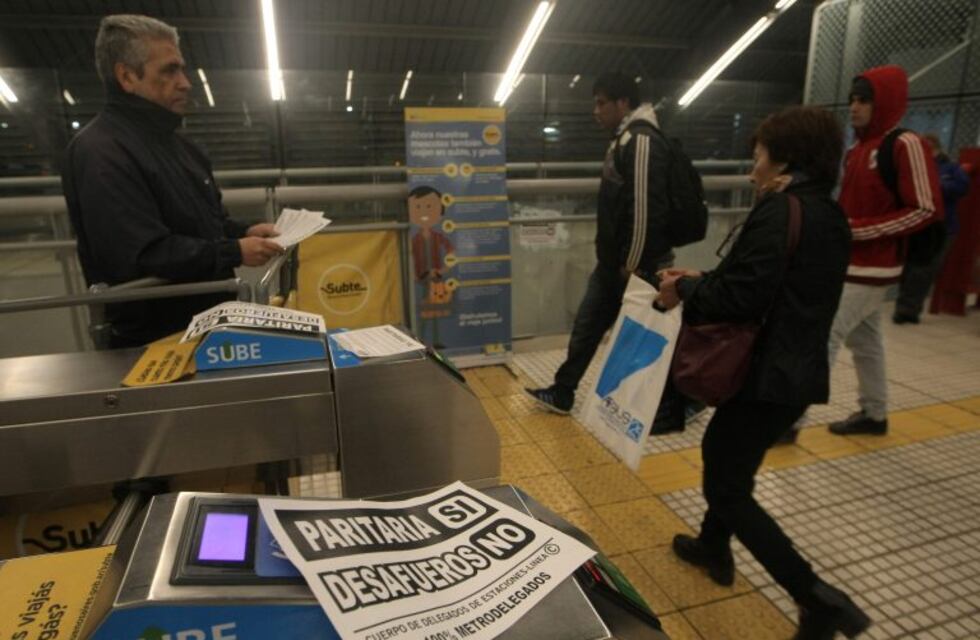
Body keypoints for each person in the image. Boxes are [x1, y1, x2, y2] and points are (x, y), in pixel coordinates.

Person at [657, 106, 869, 639]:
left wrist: (684, 289)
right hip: (796, 371)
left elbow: (740, 297)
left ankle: (814, 597)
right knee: (734, 464)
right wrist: (703, 276)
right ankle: (712, 545)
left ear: (784, 159)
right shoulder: (828, 213)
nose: (753, 165)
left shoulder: (780, 210)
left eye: (758, 155)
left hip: (761, 372)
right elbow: (778, 283)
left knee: (725, 483)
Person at [63, 15, 283, 348]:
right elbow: (141, 255)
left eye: (182, 69)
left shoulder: (181, 147)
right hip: (152, 342)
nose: (185, 83)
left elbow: (205, 224)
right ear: (127, 76)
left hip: (208, 325)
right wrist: (234, 251)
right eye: (169, 71)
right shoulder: (101, 152)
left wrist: (245, 231)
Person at [525, 72, 675, 417]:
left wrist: (632, 264)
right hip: (614, 264)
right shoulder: (623, 139)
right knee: (588, 327)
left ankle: (684, 399)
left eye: (602, 103)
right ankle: (563, 391)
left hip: (638, 266)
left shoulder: (641, 140)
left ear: (623, 103)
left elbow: (644, 209)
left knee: (649, 335)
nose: (596, 111)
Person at [824, 65, 942, 437]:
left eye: (865, 100)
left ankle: (788, 420)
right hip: (854, 264)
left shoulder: (905, 144)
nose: (854, 107)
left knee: (823, 335)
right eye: (852, 100)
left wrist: (857, 231)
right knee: (866, 341)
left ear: (886, 102)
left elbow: (925, 208)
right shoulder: (857, 149)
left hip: (873, 267)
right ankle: (874, 414)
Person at [893, 133, 970, 324]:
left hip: (942, 226)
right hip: (918, 223)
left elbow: (962, 187)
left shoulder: (951, 168)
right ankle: (904, 306)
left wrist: (935, 185)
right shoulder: (916, 167)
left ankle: (908, 309)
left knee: (925, 268)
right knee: (909, 267)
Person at [408, 186, 454, 347]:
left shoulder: (438, 237)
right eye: (418, 207)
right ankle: (421, 340)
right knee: (423, 311)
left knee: (435, 311)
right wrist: (415, 275)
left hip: (435, 279)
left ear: (440, 211)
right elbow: (410, 256)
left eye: (429, 206)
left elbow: (451, 252)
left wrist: (441, 271)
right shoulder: (414, 239)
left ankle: (435, 340)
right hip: (422, 278)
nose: (424, 212)